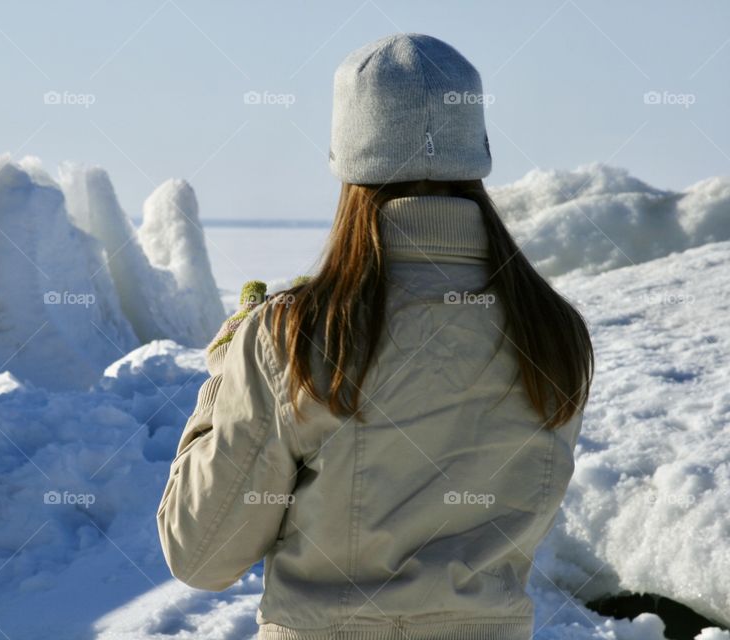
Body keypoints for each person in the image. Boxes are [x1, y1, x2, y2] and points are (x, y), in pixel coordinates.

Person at [157, 32, 593, 640]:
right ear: (479, 149)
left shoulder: (293, 331)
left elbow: (202, 554)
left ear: (346, 161)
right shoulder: (554, 332)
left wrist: (227, 381)